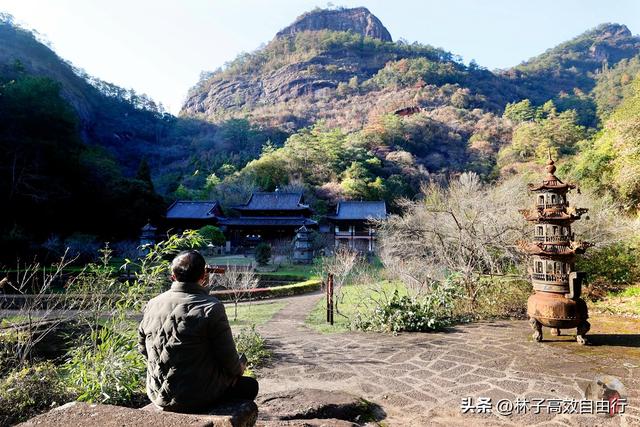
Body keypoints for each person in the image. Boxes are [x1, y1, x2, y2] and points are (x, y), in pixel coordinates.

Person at [138, 250, 258, 412]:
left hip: (157, 393)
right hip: (197, 396)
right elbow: (229, 362)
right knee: (250, 385)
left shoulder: (152, 303)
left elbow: (143, 349)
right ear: (203, 276)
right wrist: (240, 367)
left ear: (173, 276)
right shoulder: (211, 307)